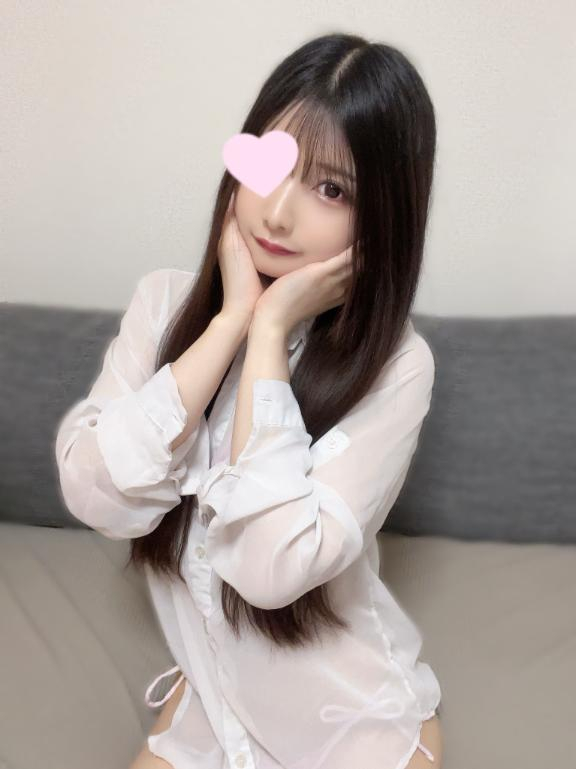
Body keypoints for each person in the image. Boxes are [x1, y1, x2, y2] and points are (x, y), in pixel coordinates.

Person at [55, 31, 443, 769]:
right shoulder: (162, 304)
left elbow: (270, 572)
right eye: (273, 166)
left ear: (382, 217)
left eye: (332, 190)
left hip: (346, 720)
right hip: (211, 707)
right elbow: (98, 495)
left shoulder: (398, 367)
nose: (277, 214)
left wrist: (268, 332)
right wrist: (230, 321)